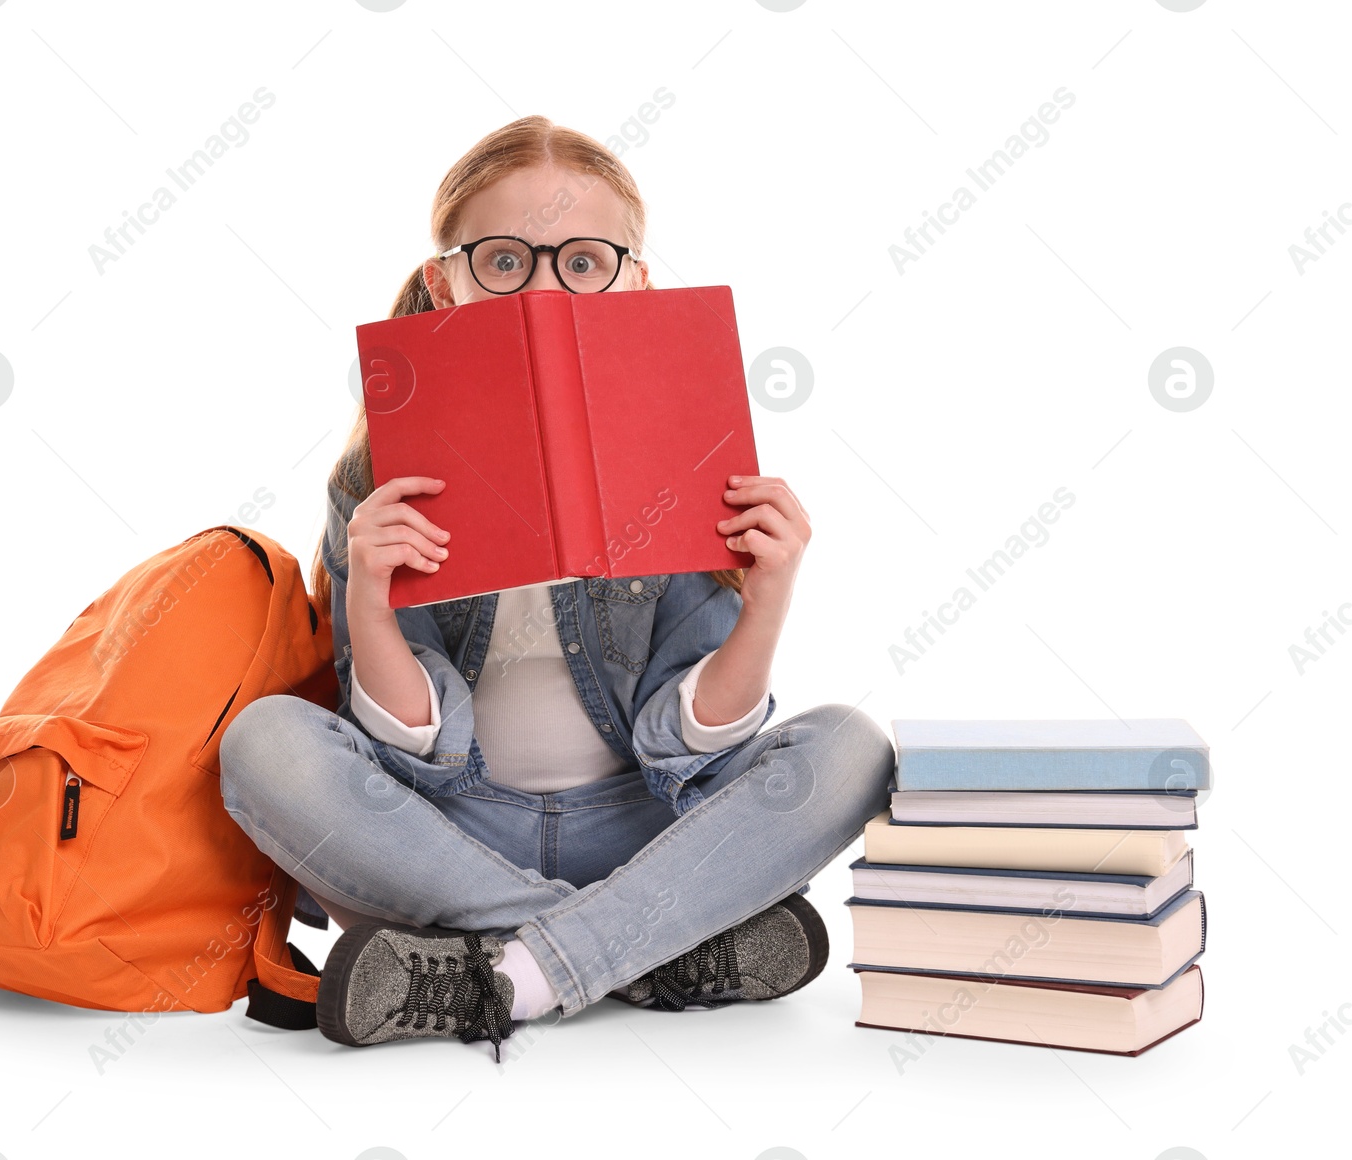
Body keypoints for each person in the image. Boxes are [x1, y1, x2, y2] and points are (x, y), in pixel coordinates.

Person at [219, 114, 893, 1061]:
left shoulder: (687, 441)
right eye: (504, 259)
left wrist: (768, 602)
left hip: (644, 828)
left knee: (852, 747)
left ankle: (492, 974)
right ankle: (645, 950)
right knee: (264, 744)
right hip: (449, 840)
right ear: (444, 278)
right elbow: (416, 754)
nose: (543, 287)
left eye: (582, 261)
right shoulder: (375, 473)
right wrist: (369, 604)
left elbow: (685, 744)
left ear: (635, 278)